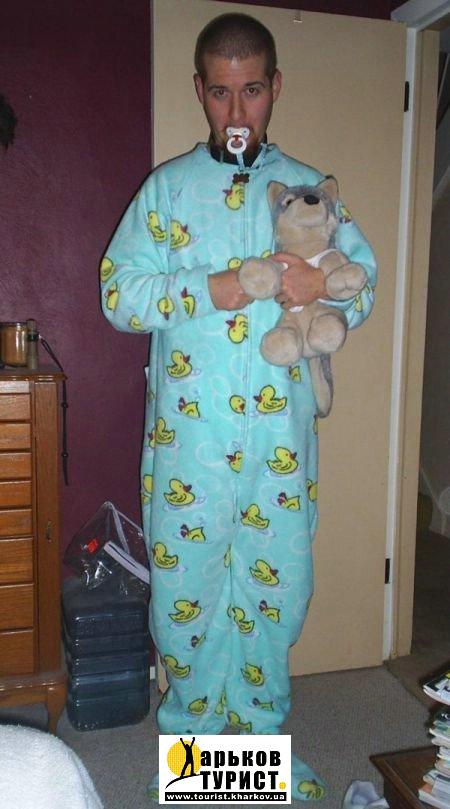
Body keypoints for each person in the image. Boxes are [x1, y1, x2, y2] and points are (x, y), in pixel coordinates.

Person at [100, 12, 377, 802]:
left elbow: (362, 282)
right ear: (200, 91)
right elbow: (118, 293)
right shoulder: (168, 190)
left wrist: (324, 287)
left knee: (274, 591)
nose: (236, 111)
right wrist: (212, 288)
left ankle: (254, 753)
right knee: (186, 599)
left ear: (275, 87)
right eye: (220, 93)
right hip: (189, 442)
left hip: (278, 444)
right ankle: (195, 760)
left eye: (251, 90)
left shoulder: (310, 190)